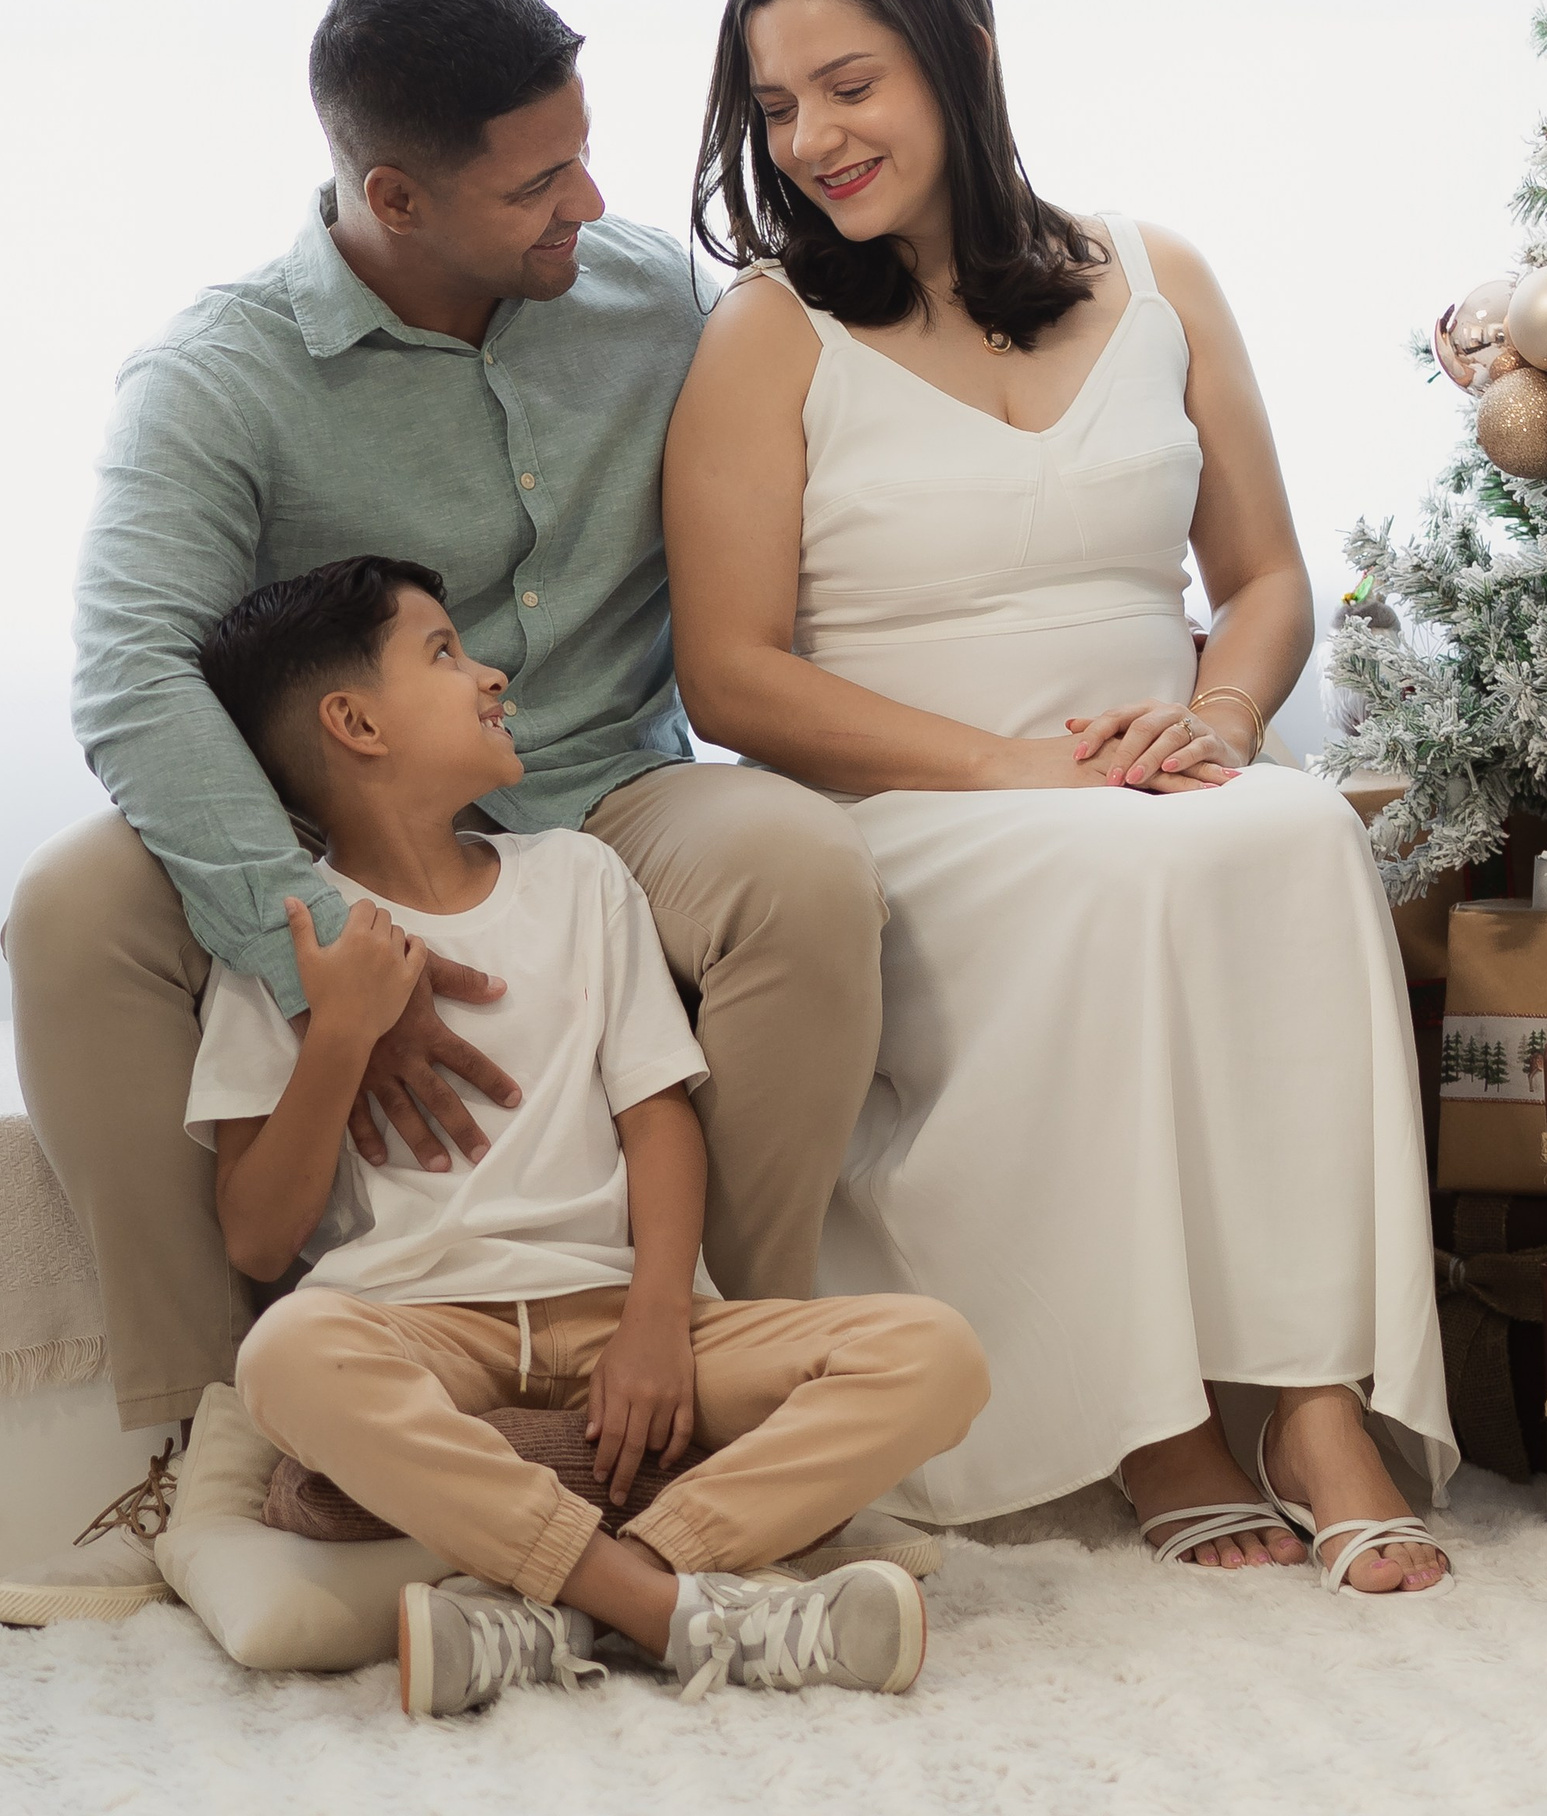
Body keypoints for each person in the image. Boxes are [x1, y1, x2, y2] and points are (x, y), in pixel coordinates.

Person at [0, 0, 888, 1625]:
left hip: (609, 787)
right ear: (392, 194)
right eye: (537, 182)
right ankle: (218, 1440)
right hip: (359, 827)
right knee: (70, 912)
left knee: (801, 873)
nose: (596, 203)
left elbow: (856, 448)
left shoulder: (653, 303)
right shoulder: (219, 375)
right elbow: (130, 679)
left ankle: (701, 1389)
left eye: (585, 152)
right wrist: (329, 946)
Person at [662, 0, 1456, 1597]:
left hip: (1144, 778)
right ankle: (1145, 1410)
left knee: (1298, 832)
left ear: (967, 52)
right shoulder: (767, 330)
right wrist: (1024, 769)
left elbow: (1262, 582)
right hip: (918, 804)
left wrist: (1219, 718)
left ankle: (1312, 1401)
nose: (812, 139)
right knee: (1117, 870)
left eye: (848, 84)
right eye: (777, 107)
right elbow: (729, 678)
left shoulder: (1158, 277)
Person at [185, 555, 986, 1713]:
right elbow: (260, 1238)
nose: (491, 669)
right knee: (285, 1359)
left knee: (934, 1352)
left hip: (622, 1314)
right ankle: (664, 1602)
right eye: (444, 652)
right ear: (355, 722)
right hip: (415, 1328)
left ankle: (564, 1603)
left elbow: (657, 1117)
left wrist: (661, 1317)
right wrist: (339, 1035)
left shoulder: (577, 874)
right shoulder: (288, 946)